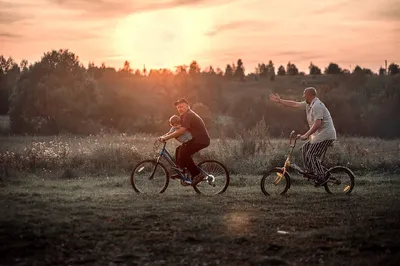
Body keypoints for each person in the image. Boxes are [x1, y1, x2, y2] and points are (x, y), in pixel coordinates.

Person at [269, 87, 337, 185]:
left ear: (309, 95)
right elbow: (294, 104)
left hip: (326, 135)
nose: (303, 96)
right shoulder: (309, 104)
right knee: (305, 148)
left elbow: (318, 123)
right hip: (319, 136)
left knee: (311, 154)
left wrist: (306, 135)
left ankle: (321, 177)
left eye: (304, 95)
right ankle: (312, 172)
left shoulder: (317, 106)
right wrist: (280, 101)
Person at [159, 98, 211, 186]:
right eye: (178, 107)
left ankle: (197, 174)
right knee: (179, 150)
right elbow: (173, 129)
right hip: (195, 140)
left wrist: (166, 138)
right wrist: (163, 136)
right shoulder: (184, 116)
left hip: (200, 140)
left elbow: (181, 131)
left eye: (182, 107)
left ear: (187, 106)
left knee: (184, 153)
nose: (180, 109)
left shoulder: (189, 115)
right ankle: (182, 171)